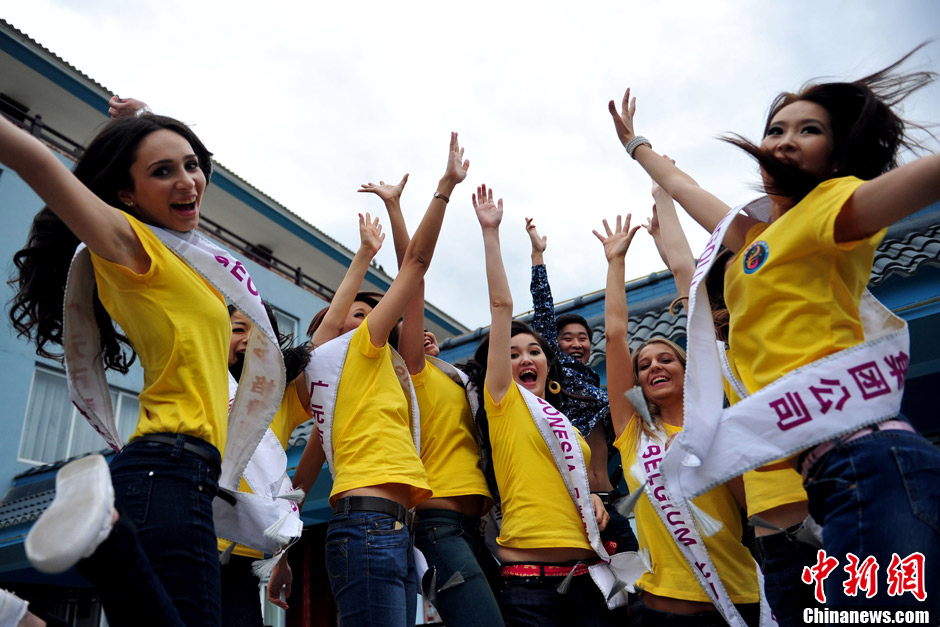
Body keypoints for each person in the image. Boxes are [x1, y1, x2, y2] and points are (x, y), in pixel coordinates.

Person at [608, 47, 940, 610]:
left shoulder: (834, 208)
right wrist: (635, 146)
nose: (785, 138)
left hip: (870, 458)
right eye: (776, 128)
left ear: (837, 153)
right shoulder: (749, 240)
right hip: (830, 472)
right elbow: (687, 190)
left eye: (809, 129)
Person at [2, 106, 258, 625]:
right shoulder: (129, 247)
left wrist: (137, 119)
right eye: (163, 172)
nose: (187, 181)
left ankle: (108, 546)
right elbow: (38, 162)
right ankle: (108, 543)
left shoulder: (183, 257)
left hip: (177, 472)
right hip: (169, 468)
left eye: (191, 164)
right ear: (124, 194)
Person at [299, 133, 469, 627]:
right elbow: (413, 268)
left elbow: (411, 284)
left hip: (392, 530)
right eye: (359, 313)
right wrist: (443, 189)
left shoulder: (380, 374)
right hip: (368, 528)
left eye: (373, 313)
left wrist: (395, 210)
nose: (371, 318)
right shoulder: (348, 353)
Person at [646, 165, 820, 625]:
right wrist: (663, 195)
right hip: (775, 536)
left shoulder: (795, 317)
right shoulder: (721, 349)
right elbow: (687, 270)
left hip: (833, 510)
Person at [463, 184, 623, 627]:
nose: (525, 358)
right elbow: (501, 307)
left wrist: (595, 501)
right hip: (529, 588)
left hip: (589, 580)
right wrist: (491, 233)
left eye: (533, 350)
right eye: (512, 354)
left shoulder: (566, 424)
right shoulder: (503, 404)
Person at [594, 214, 761, 626]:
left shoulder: (719, 425)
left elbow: (753, 511)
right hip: (661, 612)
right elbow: (616, 336)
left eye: (666, 359)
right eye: (644, 365)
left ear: (688, 371)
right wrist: (616, 262)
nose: (654, 367)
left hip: (738, 599)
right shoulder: (633, 435)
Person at [359, 175, 503, 627]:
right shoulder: (411, 372)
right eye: (409, 329)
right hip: (438, 525)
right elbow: (413, 277)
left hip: (480, 525)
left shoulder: (459, 379)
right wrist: (398, 208)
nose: (420, 331)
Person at [524, 219, 639, 561]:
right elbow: (543, 313)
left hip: (610, 501)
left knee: (630, 585)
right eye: (567, 338)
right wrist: (537, 257)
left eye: (583, 338)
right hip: (571, 501)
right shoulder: (555, 373)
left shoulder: (601, 390)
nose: (576, 343)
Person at [220, 303, 316, 627]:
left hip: (242, 563)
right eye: (238, 329)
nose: (248, 338)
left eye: (260, 331)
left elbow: (327, 346)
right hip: (188, 546)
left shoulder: (283, 396)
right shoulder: (202, 387)